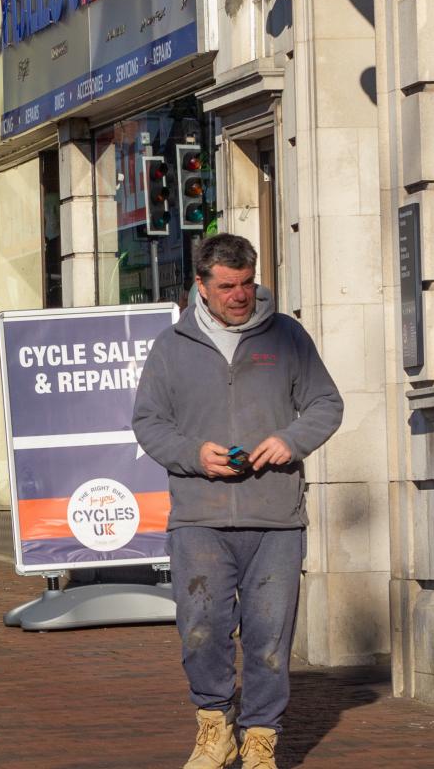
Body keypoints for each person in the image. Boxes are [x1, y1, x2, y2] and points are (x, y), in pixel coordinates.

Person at [131, 233, 343, 769]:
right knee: (200, 629)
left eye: (247, 283)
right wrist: (193, 455)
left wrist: (289, 440)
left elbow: (325, 403)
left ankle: (260, 738)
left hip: (275, 519)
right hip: (199, 517)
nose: (240, 295)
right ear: (201, 287)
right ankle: (214, 728)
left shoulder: (288, 337)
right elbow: (148, 424)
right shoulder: (171, 347)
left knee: (271, 637)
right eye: (227, 286)